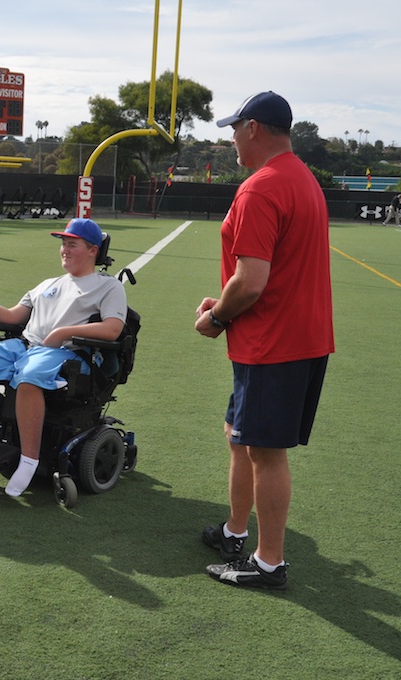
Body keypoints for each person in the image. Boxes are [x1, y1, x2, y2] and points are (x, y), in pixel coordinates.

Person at [196, 91, 334, 590]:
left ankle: (268, 562)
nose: (232, 138)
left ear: (254, 129)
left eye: (235, 128)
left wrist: (216, 317)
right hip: (290, 336)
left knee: (266, 451)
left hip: (275, 342)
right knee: (239, 436)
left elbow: (251, 281)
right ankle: (236, 531)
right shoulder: (303, 180)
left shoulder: (261, 187)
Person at [0, 218, 127, 497]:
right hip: (28, 346)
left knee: (30, 376)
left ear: (93, 250)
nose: (64, 250)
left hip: (69, 353)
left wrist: (62, 333)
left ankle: (28, 461)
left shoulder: (108, 287)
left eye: (72, 244)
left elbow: (113, 328)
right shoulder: (49, 284)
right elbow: (14, 316)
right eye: (63, 244)